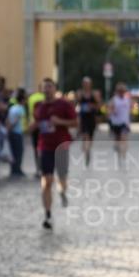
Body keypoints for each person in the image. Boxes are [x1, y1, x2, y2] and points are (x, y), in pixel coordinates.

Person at [32, 78, 77, 229]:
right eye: (44, 87)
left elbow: (75, 123)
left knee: (62, 178)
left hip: (61, 146)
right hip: (45, 147)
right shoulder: (38, 106)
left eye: (49, 87)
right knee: (46, 181)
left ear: (55, 88)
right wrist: (33, 126)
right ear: (41, 90)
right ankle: (48, 215)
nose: (47, 90)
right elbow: (36, 123)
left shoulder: (64, 104)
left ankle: (62, 191)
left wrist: (59, 122)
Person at [75, 76, 99, 167]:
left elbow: (98, 106)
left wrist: (92, 106)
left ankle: (88, 150)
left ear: (90, 84)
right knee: (85, 136)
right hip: (83, 118)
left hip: (91, 118)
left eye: (87, 83)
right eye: (84, 83)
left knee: (90, 137)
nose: (86, 85)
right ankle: (86, 151)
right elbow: (76, 103)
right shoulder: (79, 93)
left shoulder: (94, 93)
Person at [108, 82, 132, 166]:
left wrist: (129, 122)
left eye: (123, 91)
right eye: (120, 91)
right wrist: (112, 111)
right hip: (115, 124)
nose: (122, 92)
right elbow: (109, 111)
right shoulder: (114, 99)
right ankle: (119, 157)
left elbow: (129, 111)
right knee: (117, 142)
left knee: (123, 139)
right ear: (117, 91)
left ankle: (124, 156)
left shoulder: (127, 99)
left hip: (124, 123)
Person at [6, 88, 27, 177]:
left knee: (14, 151)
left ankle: (14, 169)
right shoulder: (20, 109)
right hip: (16, 132)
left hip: (14, 132)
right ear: (22, 100)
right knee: (18, 151)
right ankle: (16, 169)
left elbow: (8, 119)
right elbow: (14, 121)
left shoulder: (12, 108)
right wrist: (9, 129)